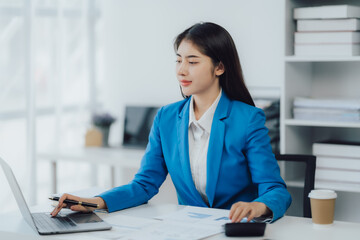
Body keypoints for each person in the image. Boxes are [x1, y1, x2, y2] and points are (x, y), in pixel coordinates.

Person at [51, 22, 291, 222]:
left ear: (219, 67)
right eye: (179, 61)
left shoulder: (248, 119)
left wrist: (258, 207)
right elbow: (145, 184)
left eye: (193, 62)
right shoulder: (166, 118)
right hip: (189, 230)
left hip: (236, 230)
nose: (181, 71)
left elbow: (274, 189)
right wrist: (96, 201)